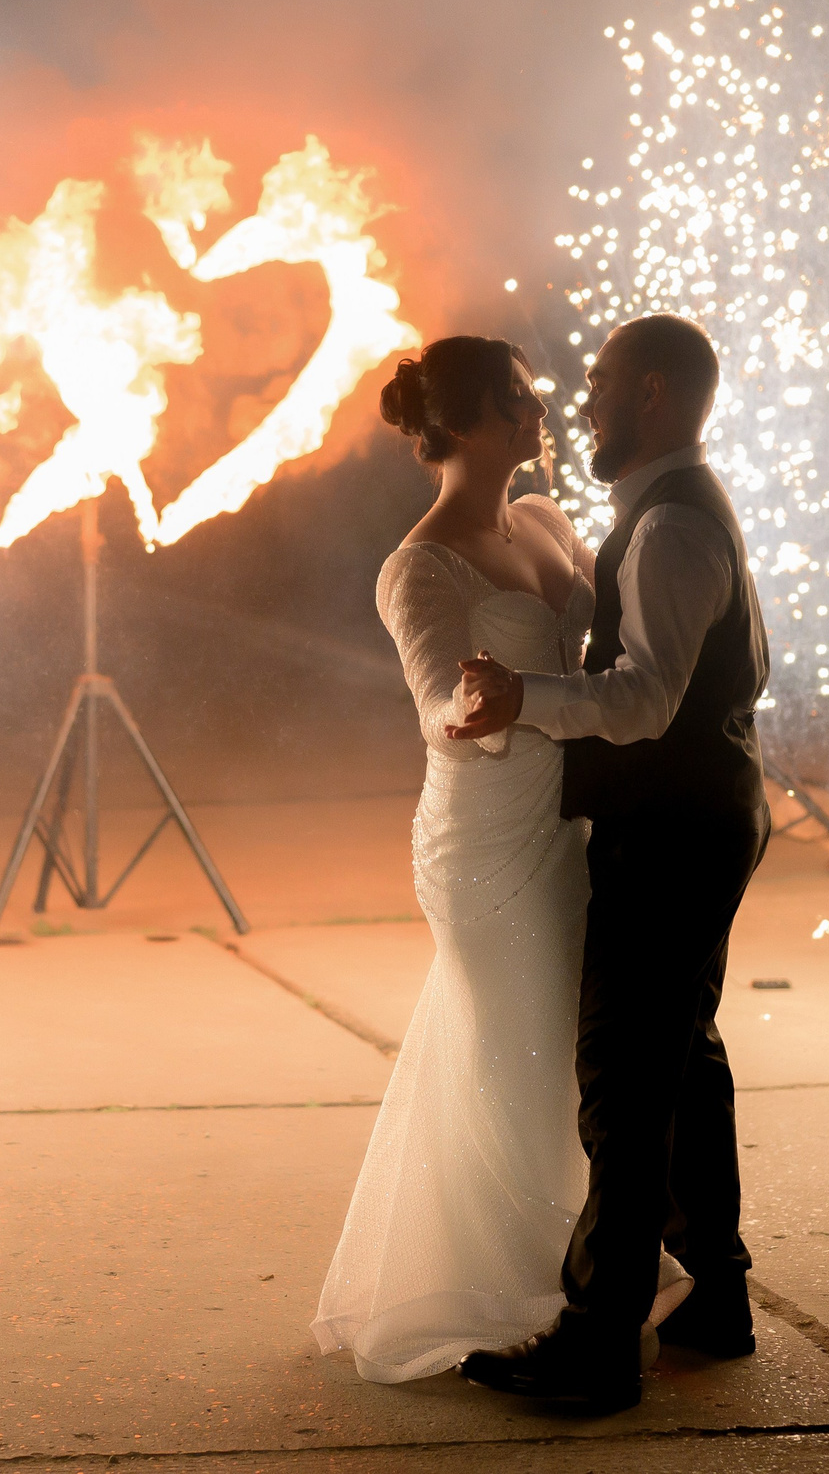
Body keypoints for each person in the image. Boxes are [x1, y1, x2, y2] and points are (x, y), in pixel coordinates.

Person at [310, 334, 691, 1384]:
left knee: (568, 1055)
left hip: (567, 824)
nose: (541, 411)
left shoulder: (544, 519)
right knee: (521, 1056)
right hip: (482, 834)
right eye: (517, 399)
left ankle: (571, 1291)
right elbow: (435, 698)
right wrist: (467, 711)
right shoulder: (417, 563)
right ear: (470, 421)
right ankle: (526, 1299)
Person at [451, 312, 773, 1414]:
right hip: (700, 816)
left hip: (676, 827)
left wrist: (520, 698)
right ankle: (718, 1298)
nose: (576, 403)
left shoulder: (673, 525)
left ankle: (596, 1344)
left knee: (624, 1083)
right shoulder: (663, 514)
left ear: (648, 393)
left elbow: (642, 701)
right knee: (682, 1062)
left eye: (594, 384)